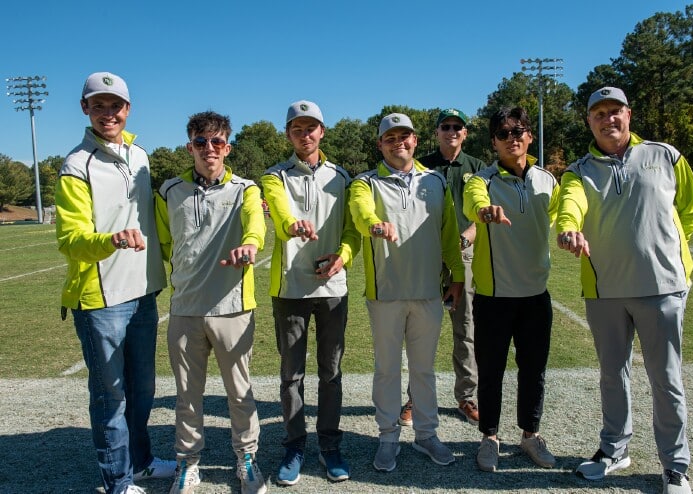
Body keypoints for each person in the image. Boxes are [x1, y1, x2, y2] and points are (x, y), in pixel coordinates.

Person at [557, 87, 693, 494]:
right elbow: (570, 205)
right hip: (605, 290)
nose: (608, 119)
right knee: (612, 374)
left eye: (615, 110)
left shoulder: (665, 155)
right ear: (589, 121)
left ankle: (676, 465)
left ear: (629, 114)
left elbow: (690, 207)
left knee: (666, 378)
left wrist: (668, 248)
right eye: (599, 113)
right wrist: (569, 228)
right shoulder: (579, 170)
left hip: (663, 286)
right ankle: (614, 449)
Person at [55, 71, 175, 494]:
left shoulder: (140, 155)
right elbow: (69, 239)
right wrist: (110, 240)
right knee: (111, 398)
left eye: (116, 105)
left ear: (128, 109)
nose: (109, 113)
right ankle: (117, 481)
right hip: (100, 298)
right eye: (99, 104)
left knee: (143, 392)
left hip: (143, 292)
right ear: (85, 108)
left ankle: (140, 464)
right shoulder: (76, 165)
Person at [154, 111, 267, 494]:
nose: (209, 149)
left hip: (232, 308)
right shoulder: (169, 190)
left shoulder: (245, 189)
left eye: (217, 142)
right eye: (201, 142)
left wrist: (250, 244)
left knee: (240, 392)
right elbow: (165, 245)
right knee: (188, 397)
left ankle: (246, 458)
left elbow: (256, 224)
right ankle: (188, 463)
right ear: (190, 147)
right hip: (185, 309)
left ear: (227, 147)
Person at [349, 113, 464, 472]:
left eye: (405, 136)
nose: (398, 142)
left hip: (428, 292)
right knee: (386, 370)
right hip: (386, 293)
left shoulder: (435, 182)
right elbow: (359, 211)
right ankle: (387, 437)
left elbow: (448, 233)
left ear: (415, 140)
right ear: (380, 143)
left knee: (424, 370)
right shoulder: (364, 183)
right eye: (390, 137)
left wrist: (457, 276)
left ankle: (427, 435)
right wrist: (374, 224)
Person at [261, 100, 360, 485]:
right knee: (291, 375)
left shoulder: (343, 176)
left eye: (311, 128)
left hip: (333, 286)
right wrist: (293, 226)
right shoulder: (274, 176)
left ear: (322, 131)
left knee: (331, 373)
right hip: (291, 288)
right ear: (288, 134)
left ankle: (330, 445)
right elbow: (281, 214)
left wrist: (343, 257)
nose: (305, 135)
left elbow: (352, 229)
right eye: (297, 129)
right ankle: (295, 444)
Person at [462, 107, 559, 472]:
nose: (512, 137)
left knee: (533, 370)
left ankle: (530, 435)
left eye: (519, 130)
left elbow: (561, 215)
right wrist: (484, 212)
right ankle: (489, 437)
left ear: (530, 136)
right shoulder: (481, 180)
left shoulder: (548, 180)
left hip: (536, 294)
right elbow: (474, 202)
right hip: (493, 297)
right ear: (493, 141)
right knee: (491, 371)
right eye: (503, 133)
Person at [406, 108, 486, 428]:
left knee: (465, 330)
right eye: (445, 126)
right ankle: (415, 397)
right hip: (427, 257)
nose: (451, 131)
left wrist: (465, 238)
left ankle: (466, 397)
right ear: (436, 132)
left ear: (465, 133)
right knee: (421, 331)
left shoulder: (477, 168)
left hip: (464, 257)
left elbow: (483, 213)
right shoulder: (421, 166)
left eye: (457, 127)